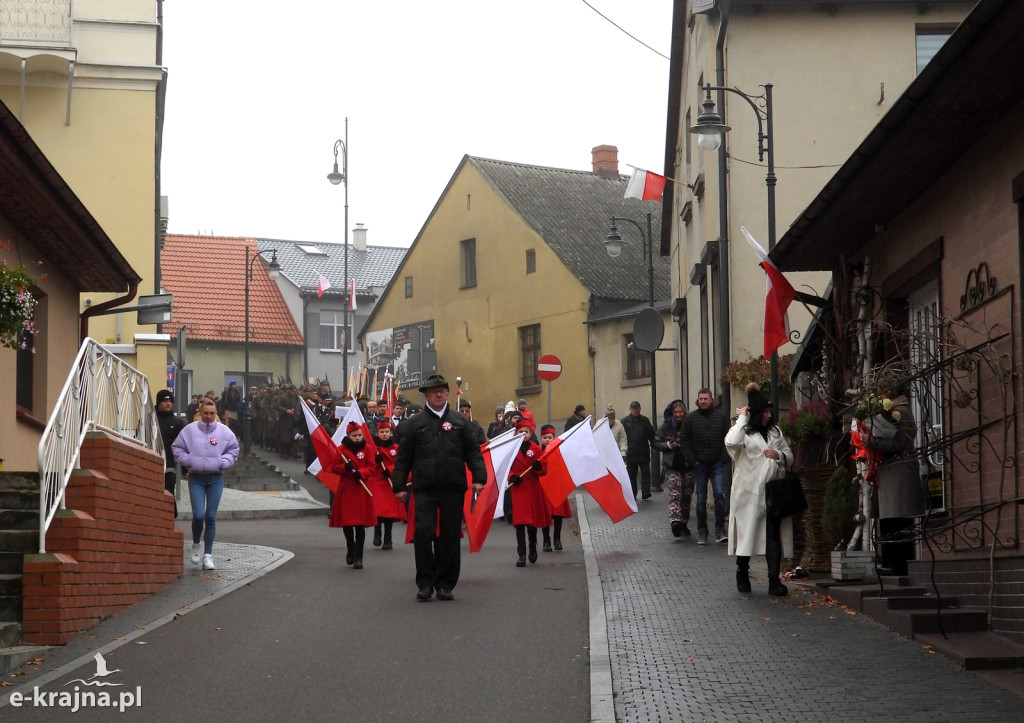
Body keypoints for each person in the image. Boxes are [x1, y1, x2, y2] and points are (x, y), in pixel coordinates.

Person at [391, 374, 486, 602]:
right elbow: (404, 457)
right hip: (425, 487)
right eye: (434, 391)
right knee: (423, 534)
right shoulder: (414, 424)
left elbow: (473, 452)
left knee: (450, 536)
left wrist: (479, 478)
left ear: (446, 393)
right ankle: (425, 583)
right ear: (426, 395)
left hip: (452, 487)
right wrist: (399, 485)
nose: (439, 394)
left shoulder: (459, 422)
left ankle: (445, 584)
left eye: (442, 390)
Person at [725, 383, 794, 596]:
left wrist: (779, 456)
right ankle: (742, 572)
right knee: (747, 535)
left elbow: (789, 455)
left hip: (772, 491)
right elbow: (731, 442)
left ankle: (774, 580)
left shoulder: (775, 431)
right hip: (748, 492)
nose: (768, 415)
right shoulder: (742, 431)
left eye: (769, 411)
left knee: (772, 535)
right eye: (764, 411)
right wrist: (742, 419)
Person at [862, 387, 926, 575]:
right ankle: (891, 562)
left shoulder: (901, 413)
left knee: (897, 519)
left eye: (882, 393)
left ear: (890, 394)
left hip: (898, 472)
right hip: (891, 473)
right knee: (890, 518)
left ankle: (897, 564)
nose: (880, 397)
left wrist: (871, 442)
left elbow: (899, 443)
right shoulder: (895, 412)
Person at [172, 397, 239, 571]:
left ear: (216, 414)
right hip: (196, 478)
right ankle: (196, 545)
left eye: (212, 413)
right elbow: (177, 448)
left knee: (210, 517)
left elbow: (233, 449)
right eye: (205, 413)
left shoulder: (224, 432)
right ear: (200, 413)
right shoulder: (190, 430)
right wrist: (189, 461)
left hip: (215, 478)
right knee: (199, 516)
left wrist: (223, 462)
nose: (209, 416)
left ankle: (208, 555)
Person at [680, 387, 730, 545]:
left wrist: (723, 458)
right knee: (701, 499)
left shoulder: (721, 418)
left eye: (705, 399)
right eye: (700, 399)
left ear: (711, 400)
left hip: (716, 462)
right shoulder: (690, 419)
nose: (703, 401)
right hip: (699, 463)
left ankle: (720, 529)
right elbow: (684, 441)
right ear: (697, 400)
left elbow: (727, 439)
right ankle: (702, 531)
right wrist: (692, 460)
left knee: (719, 497)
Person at [328, 422, 379, 569]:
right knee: (348, 523)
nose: (357, 438)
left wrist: (361, 473)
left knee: (359, 524)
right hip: (347, 490)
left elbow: (372, 467)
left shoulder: (368, 448)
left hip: (361, 489)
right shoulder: (341, 450)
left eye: (359, 435)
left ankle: (359, 556)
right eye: (354, 435)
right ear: (348, 436)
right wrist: (345, 468)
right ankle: (350, 547)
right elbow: (335, 468)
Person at [508, 417, 552, 566]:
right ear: (516, 433)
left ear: (530, 433)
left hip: (532, 489)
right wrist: (511, 477)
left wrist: (538, 466)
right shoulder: (511, 449)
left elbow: (544, 470)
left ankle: (532, 546)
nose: (524, 434)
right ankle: (521, 554)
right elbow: (505, 469)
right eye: (520, 431)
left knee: (531, 524)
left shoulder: (537, 449)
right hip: (518, 490)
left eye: (526, 432)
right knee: (519, 524)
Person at [655, 400, 696, 537]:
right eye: (675, 412)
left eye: (680, 412)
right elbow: (656, 442)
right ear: (672, 413)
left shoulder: (690, 424)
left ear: (684, 412)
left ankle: (684, 522)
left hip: (688, 466)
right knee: (674, 494)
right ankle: (675, 522)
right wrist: (668, 445)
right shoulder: (666, 426)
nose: (678, 415)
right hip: (672, 466)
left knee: (686, 496)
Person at [370, 420, 405, 550]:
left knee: (389, 513)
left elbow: (400, 464)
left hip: (389, 481)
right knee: (378, 510)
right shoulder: (373, 448)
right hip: (377, 481)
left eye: (387, 432)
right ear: (377, 433)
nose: (384, 434)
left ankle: (388, 538)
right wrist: (375, 459)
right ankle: (377, 534)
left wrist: (389, 470)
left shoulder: (396, 448)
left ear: (391, 433)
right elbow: (369, 464)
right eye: (382, 432)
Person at [538, 424, 572, 551]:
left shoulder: (559, 451)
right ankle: (546, 540)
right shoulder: (538, 453)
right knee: (545, 515)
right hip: (543, 488)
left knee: (557, 515)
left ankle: (557, 538)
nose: (547, 440)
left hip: (557, 487)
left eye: (550, 437)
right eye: (545, 437)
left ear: (554, 438)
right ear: (541, 438)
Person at [155, 389, 185, 518]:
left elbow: (183, 446)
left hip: (170, 466)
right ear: (158, 402)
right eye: (165, 401)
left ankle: (170, 520)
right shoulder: (150, 419)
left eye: (170, 401)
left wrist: (185, 468)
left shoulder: (177, 423)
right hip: (153, 464)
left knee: (169, 493)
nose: (168, 404)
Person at [622, 400, 657, 499]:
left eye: (636, 408)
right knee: (631, 475)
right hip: (630, 452)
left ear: (639, 409)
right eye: (633, 408)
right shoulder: (624, 421)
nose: (635, 410)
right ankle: (633, 493)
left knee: (646, 472)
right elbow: (621, 437)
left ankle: (646, 492)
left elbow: (651, 435)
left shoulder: (645, 420)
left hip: (643, 451)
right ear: (630, 409)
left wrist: (653, 447)